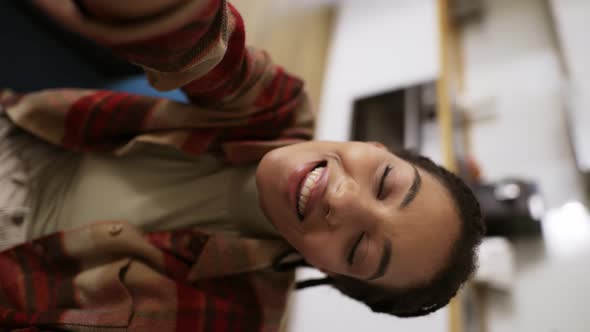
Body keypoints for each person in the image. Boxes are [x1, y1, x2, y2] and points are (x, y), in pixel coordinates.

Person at [0, 0, 485, 330]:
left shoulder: (231, 315)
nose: (342, 199)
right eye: (384, 183)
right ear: (380, 147)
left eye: (358, 247)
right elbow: (202, 47)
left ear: (332, 274)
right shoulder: (277, 110)